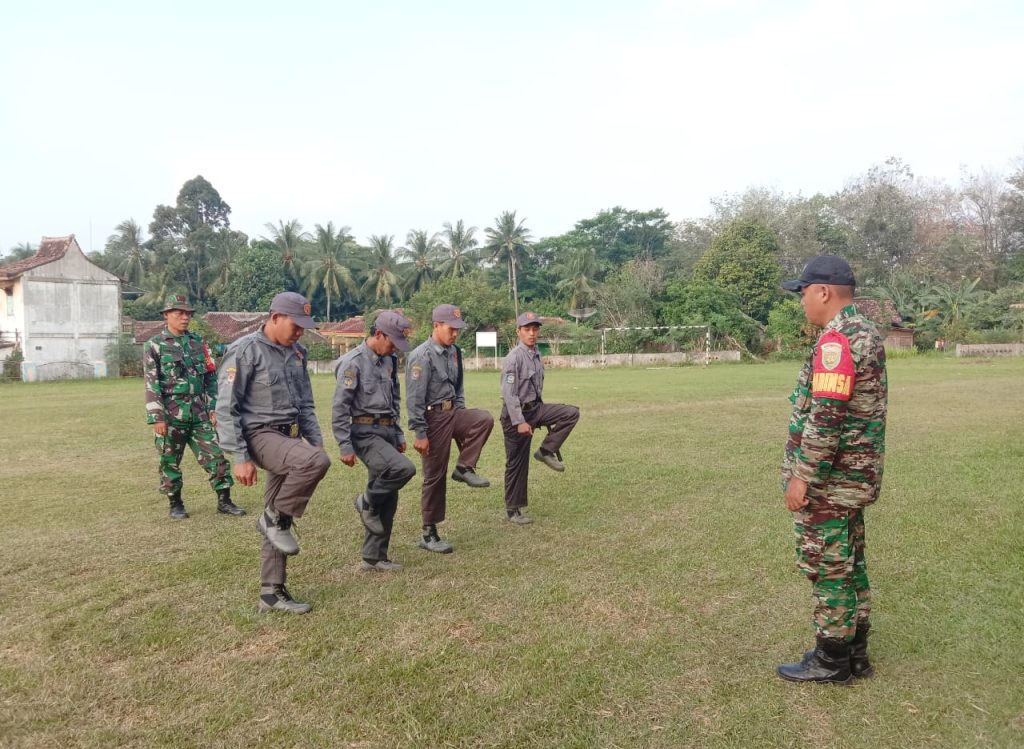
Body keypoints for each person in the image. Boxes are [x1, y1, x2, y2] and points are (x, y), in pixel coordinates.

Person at [777, 256, 888, 684]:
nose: (801, 301)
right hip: (852, 480)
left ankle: (831, 660)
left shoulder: (837, 341)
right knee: (850, 564)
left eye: (803, 292)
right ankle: (854, 653)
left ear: (823, 292)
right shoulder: (864, 332)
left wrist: (802, 477)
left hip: (830, 482)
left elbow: (825, 419)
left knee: (828, 568)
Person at [216, 292, 331, 615]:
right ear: (276, 317)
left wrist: (315, 439)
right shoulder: (244, 351)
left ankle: (271, 592)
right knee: (311, 468)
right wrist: (240, 457)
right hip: (260, 435)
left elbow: (305, 402)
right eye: (296, 325)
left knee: (278, 517)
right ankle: (272, 518)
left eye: (304, 327)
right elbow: (226, 406)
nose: (300, 332)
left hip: (289, 437)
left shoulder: (298, 352)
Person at [144, 293, 243, 520]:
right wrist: (156, 416)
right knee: (169, 460)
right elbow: (151, 382)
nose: (185, 317)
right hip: (171, 414)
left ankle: (224, 501)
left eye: (188, 313)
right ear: (166, 315)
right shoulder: (154, 345)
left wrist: (213, 407)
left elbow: (210, 377)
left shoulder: (198, 342)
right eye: (179, 313)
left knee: (216, 456)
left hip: (199, 412)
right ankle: (175, 503)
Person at [406, 304, 495, 553]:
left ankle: (464, 468)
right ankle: (429, 534)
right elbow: (414, 398)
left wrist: (461, 413)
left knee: (483, 419)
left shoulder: (454, 352)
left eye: (458, 329)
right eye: (451, 329)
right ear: (436, 325)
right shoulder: (421, 356)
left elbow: (459, 386)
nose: (455, 334)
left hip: (452, 412)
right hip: (432, 418)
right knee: (434, 476)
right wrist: (420, 433)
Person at [332, 310, 417, 571]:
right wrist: (345, 445)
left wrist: (398, 433)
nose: (395, 348)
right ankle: (365, 501)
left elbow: (394, 400)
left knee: (389, 496)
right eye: (392, 342)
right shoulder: (352, 362)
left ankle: (374, 557)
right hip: (365, 432)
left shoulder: (389, 360)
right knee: (403, 469)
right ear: (378, 334)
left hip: (387, 431)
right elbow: (340, 408)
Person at [499, 311, 580, 524]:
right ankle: (513, 510)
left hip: (535, 409)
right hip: (516, 415)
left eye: (535, 329)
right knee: (517, 462)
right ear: (518, 332)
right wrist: (520, 422)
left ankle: (545, 451)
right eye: (527, 329)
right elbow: (509, 394)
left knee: (570, 413)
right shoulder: (514, 358)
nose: (532, 333)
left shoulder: (535, 354)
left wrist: (536, 414)